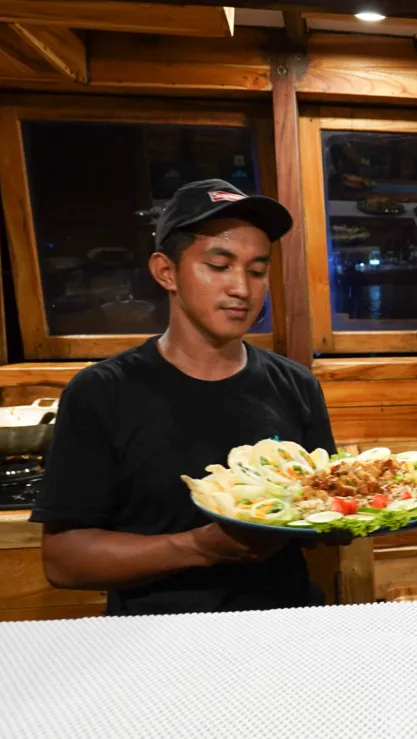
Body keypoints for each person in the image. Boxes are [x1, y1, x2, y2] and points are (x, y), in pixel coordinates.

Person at [31, 179, 335, 616]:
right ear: (166, 272)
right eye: (219, 265)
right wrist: (196, 547)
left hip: (281, 622)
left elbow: (324, 512)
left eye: (256, 270)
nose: (243, 289)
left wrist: (359, 511)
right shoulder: (102, 391)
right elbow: (64, 561)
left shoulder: (295, 383)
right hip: (153, 637)